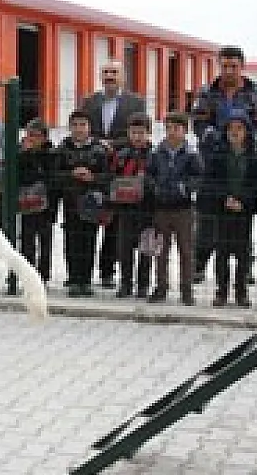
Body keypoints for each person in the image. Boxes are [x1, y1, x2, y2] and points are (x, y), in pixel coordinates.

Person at [191, 45, 257, 287]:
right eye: (224, 66)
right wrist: (215, 138)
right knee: (207, 216)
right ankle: (199, 264)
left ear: (242, 66)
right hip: (212, 163)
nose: (228, 71)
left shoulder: (256, 92)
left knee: (241, 217)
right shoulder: (207, 92)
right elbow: (198, 122)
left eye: (233, 66)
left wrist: (247, 141)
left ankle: (244, 267)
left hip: (242, 163)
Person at [78, 60, 147, 288]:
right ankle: (84, 272)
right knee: (92, 216)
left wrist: (113, 145)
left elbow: (138, 131)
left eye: (114, 72)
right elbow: (83, 128)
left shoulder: (136, 102)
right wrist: (100, 144)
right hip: (95, 166)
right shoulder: (89, 101)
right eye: (105, 72)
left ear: (122, 76)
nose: (109, 76)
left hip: (122, 167)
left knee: (115, 223)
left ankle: (107, 271)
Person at [198, 107, 257, 308]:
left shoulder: (256, 158)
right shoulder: (217, 156)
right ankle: (222, 290)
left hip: (243, 212)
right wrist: (224, 199)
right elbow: (211, 182)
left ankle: (241, 292)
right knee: (222, 252)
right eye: (230, 129)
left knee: (243, 252)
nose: (235, 132)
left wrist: (243, 201)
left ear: (247, 132)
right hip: (222, 210)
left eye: (239, 128)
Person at [146, 111, 203, 305]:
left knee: (186, 251)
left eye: (176, 128)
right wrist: (154, 186)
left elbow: (198, 178)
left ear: (185, 131)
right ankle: (161, 287)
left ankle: (186, 290)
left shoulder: (192, 154)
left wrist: (184, 187)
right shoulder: (156, 153)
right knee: (160, 250)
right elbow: (149, 174)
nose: (171, 132)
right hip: (161, 208)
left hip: (183, 209)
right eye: (168, 128)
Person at [57, 110, 111, 297]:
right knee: (71, 241)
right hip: (70, 202)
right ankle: (73, 279)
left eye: (83, 125)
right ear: (70, 127)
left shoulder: (99, 150)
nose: (79, 129)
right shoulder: (62, 148)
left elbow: (108, 177)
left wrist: (92, 177)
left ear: (89, 127)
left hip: (92, 202)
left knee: (89, 240)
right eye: (75, 125)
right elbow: (54, 175)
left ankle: (86, 281)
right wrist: (70, 175)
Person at [106, 112, 154, 298]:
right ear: (128, 133)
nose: (137, 137)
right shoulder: (121, 155)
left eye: (141, 132)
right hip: (125, 209)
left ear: (148, 133)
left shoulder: (154, 155)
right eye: (134, 132)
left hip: (147, 209)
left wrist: (146, 183)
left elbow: (158, 178)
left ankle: (143, 285)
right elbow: (112, 177)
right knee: (124, 248)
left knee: (146, 249)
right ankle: (125, 283)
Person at [17, 118, 58, 285]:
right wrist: (26, 154)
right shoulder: (21, 152)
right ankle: (28, 274)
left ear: (45, 138)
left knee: (45, 240)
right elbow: (21, 175)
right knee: (27, 240)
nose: (32, 139)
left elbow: (49, 177)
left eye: (36, 136)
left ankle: (43, 275)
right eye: (29, 135)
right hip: (27, 202)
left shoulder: (51, 153)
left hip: (46, 205)